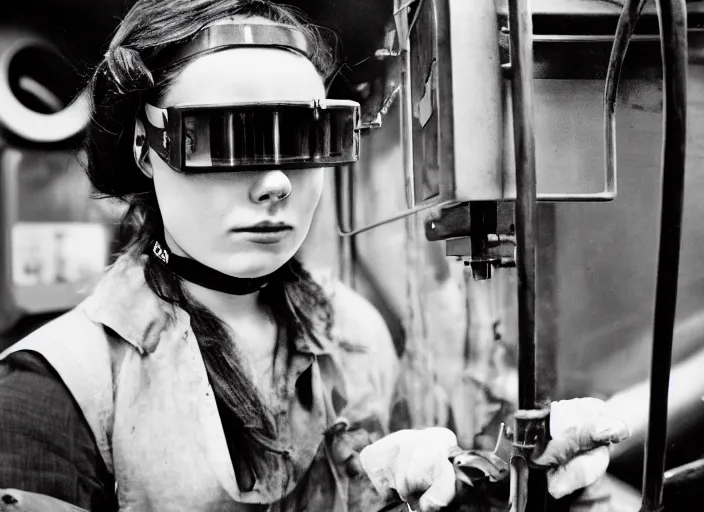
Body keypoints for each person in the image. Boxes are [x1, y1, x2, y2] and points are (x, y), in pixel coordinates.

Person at [0, 1, 630, 511]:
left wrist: (501, 484)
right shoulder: (52, 391)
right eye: (230, 138)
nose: (276, 181)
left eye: (308, 137)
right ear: (146, 145)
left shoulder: (356, 334)